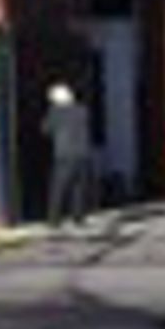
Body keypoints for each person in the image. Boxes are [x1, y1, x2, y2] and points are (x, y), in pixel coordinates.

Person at [43, 82, 96, 226]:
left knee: (58, 188)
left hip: (64, 155)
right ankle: (79, 218)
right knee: (78, 188)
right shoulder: (82, 110)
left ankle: (54, 220)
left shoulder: (56, 112)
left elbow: (46, 130)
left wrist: (52, 110)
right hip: (83, 153)